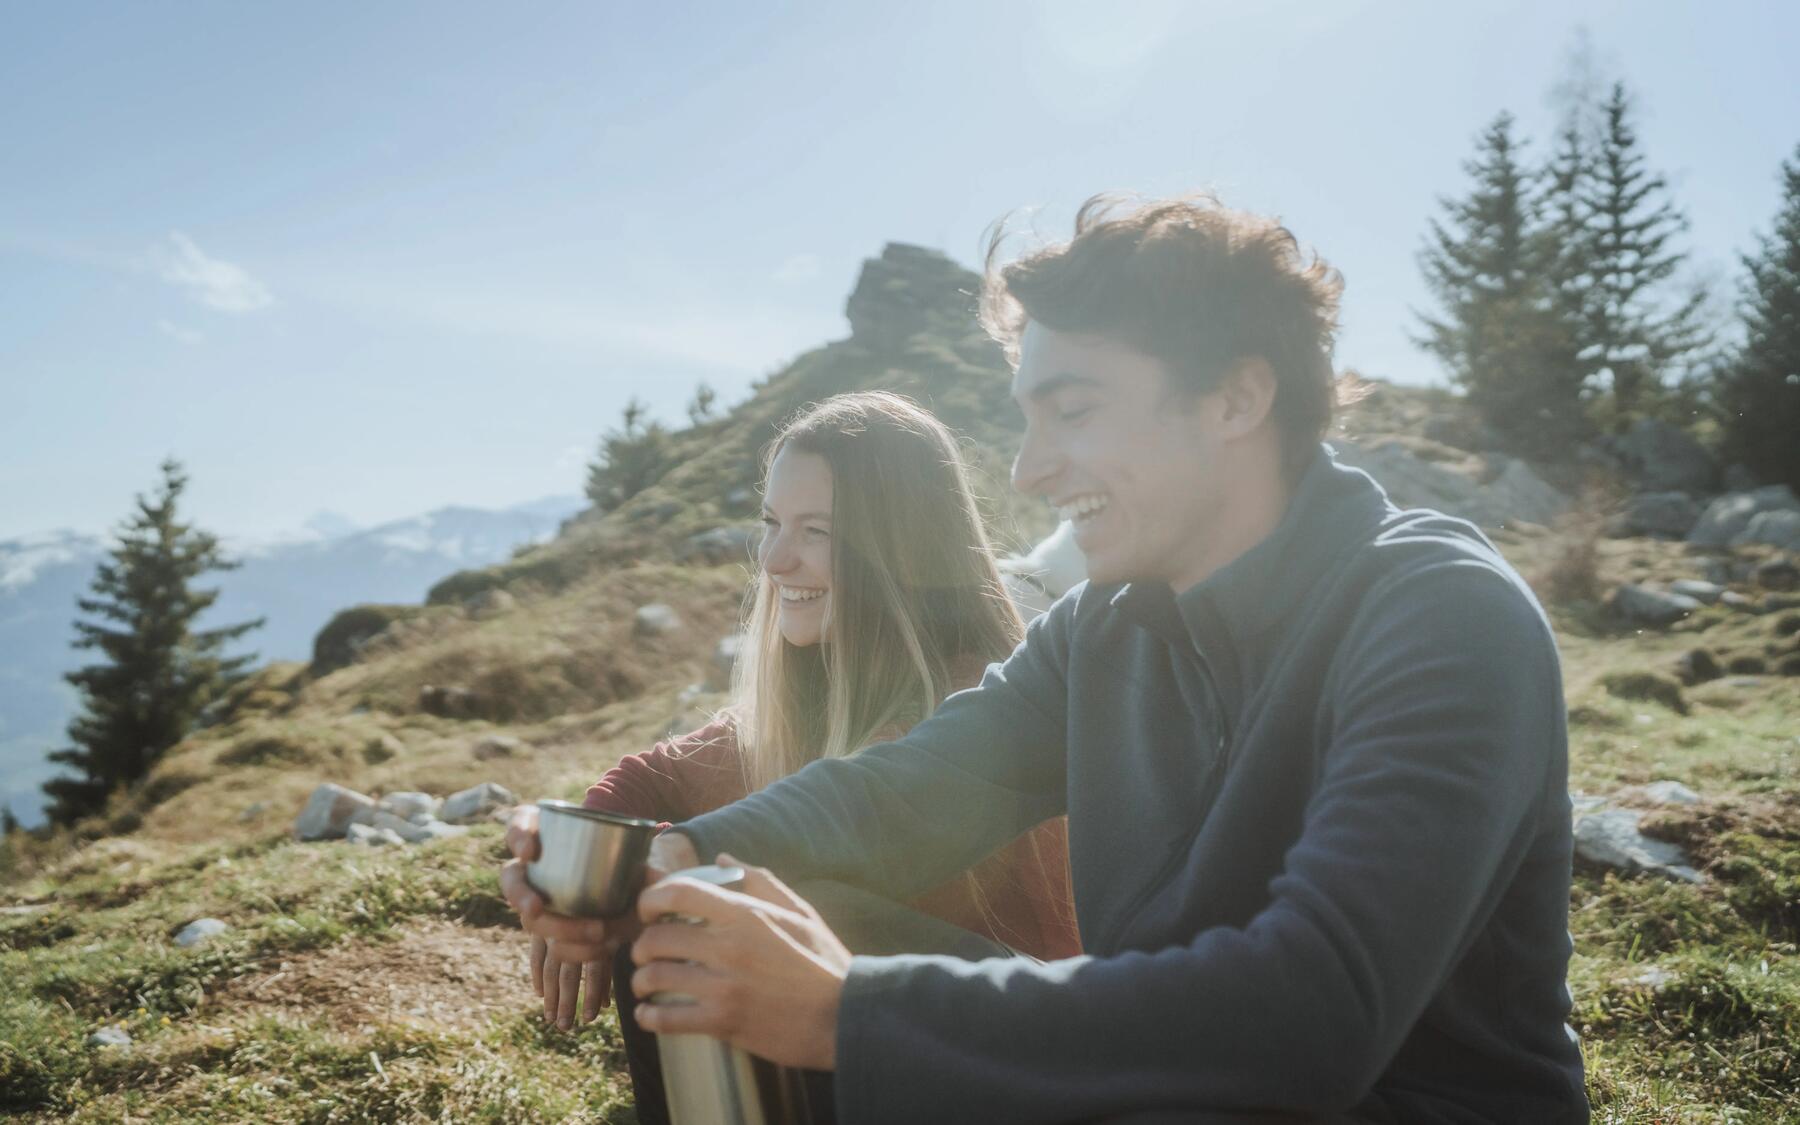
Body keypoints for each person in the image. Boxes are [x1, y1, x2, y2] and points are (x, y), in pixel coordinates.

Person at [508, 194, 1589, 1124]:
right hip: (1171, 1083)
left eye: (1072, 411)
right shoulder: (1105, 626)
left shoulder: (1441, 616)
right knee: (716, 919)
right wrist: (670, 859)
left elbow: (1317, 1009)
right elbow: (905, 794)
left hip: (1384, 1104)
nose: (1027, 473)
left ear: (1236, 398)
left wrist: (849, 1014)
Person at [505, 392, 1078, 1115]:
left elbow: (852, 833)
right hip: (886, 1051)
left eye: (818, 530)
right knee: (666, 895)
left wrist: (637, 874)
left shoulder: (971, 692)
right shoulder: (816, 681)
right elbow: (652, 776)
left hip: (1009, 1046)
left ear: (901, 548)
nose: (775, 558)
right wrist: (574, 857)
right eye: (772, 524)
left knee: (705, 904)